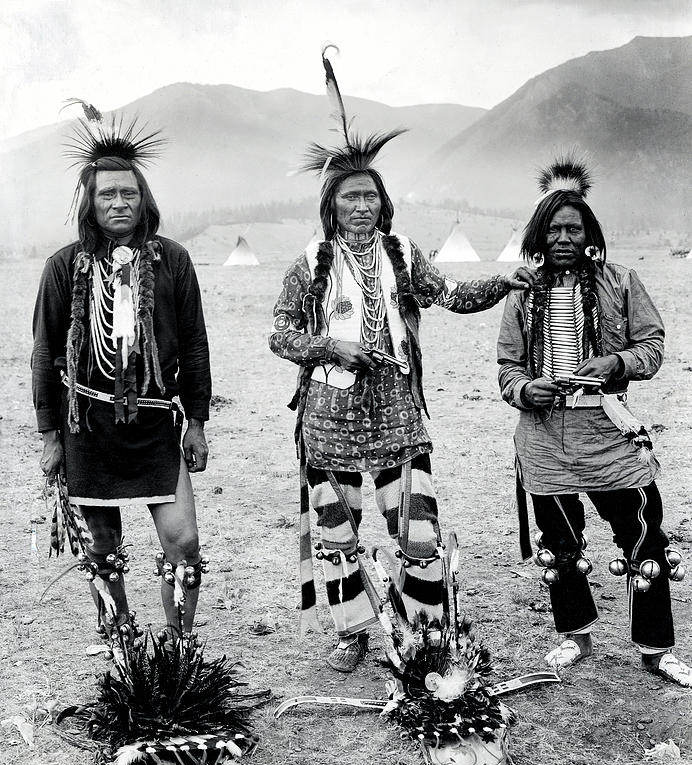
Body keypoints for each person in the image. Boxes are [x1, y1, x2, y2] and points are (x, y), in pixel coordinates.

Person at [269, 49, 533, 673]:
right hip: (328, 411)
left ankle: (429, 624)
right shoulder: (311, 262)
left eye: (370, 197)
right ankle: (351, 629)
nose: (360, 207)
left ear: (384, 204)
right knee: (338, 526)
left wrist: (505, 282)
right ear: (332, 205)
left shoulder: (404, 253)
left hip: (395, 408)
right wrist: (333, 347)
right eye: (349, 198)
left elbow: (451, 296)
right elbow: (280, 334)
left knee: (415, 522)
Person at [497, 156, 690, 687]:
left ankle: (655, 649)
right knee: (559, 540)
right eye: (554, 228)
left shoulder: (622, 281)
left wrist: (616, 363)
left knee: (644, 536)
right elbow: (507, 367)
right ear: (539, 234)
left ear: (589, 234)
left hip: (609, 430)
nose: (563, 237)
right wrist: (523, 389)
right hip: (544, 437)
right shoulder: (523, 292)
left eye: (573, 228)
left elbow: (652, 346)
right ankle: (575, 636)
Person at [32, 104, 211, 651]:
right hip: (86, 420)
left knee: (184, 543)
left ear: (144, 199)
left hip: (157, 418)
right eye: (107, 194)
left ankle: (180, 644)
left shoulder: (172, 261)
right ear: (90, 202)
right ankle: (121, 638)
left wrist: (197, 421)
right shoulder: (65, 266)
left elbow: (196, 343)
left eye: (127, 194)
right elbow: (43, 352)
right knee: (101, 545)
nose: (118, 203)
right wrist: (49, 435)